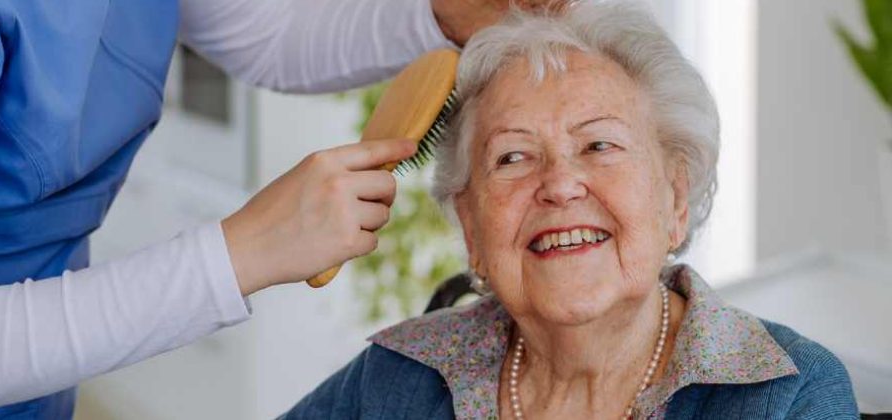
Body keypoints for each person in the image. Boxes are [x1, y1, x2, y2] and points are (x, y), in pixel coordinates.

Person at [0, 0, 553, 418]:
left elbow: (265, 36)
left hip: (38, 364)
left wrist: (440, 14)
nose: (564, 187)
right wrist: (246, 252)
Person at [280, 1, 861, 419]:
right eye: (512, 156)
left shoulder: (786, 394)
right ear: (471, 227)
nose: (560, 185)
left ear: (675, 199)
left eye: (599, 145)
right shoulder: (399, 377)